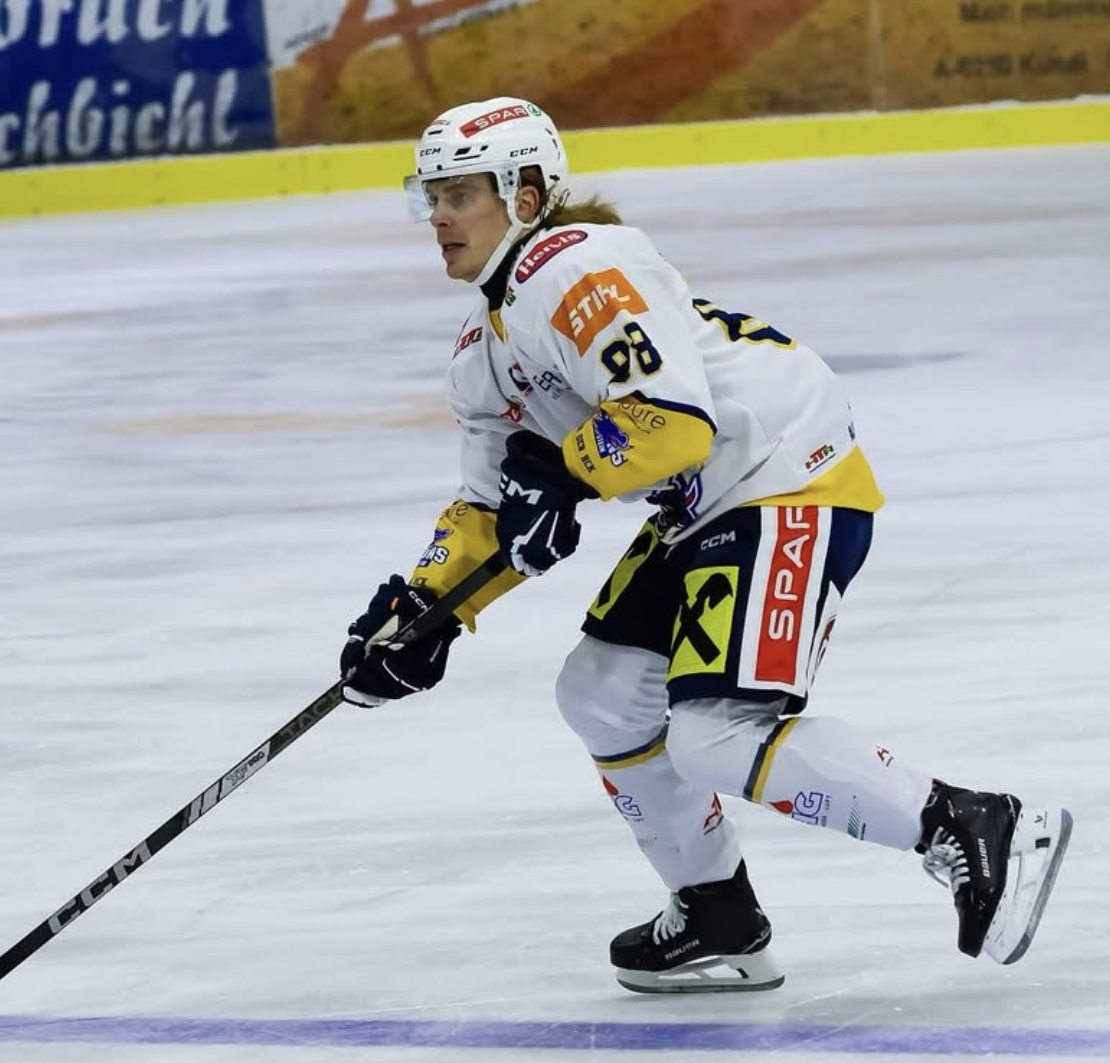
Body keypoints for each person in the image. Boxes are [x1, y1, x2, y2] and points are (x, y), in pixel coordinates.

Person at [339, 97, 1072, 993]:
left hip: (783, 474)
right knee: (603, 695)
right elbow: (492, 504)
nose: (439, 216)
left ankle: (969, 821)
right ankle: (717, 910)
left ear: (525, 196)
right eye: (431, 197)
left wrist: (566, 473)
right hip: (705, 505)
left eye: (461, 194)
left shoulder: (577, 268)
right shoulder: (482, 351)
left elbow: (672, 423)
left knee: (717, 734)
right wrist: (425, 610)